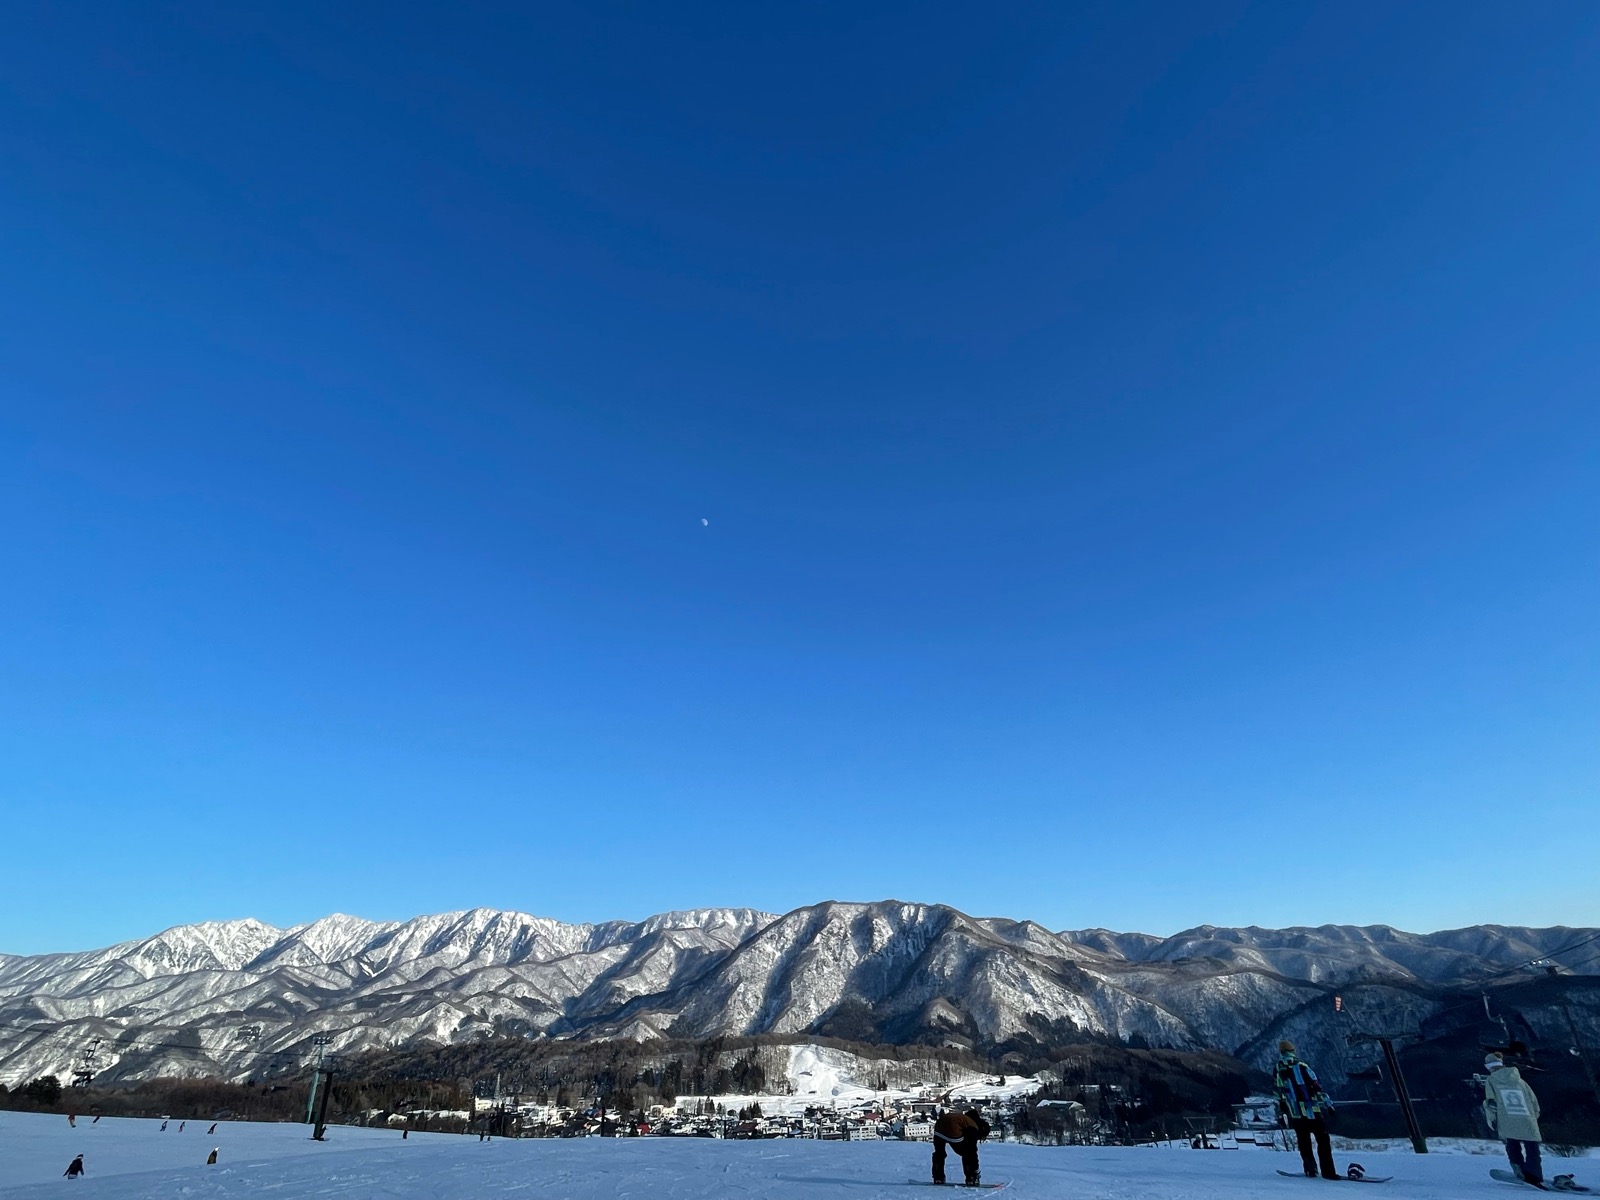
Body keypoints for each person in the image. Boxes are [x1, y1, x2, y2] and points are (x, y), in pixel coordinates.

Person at [1274, 1040, 1338, 1180]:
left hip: (1295, 1113)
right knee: (1323, 1140)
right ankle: (1328, 1171)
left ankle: (1310, 1169)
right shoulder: (1302, 1067)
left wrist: (1283, 1105)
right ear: (1293, 1050)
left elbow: (1279, 1091)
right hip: (1312, 1110)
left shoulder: (1279, 1070)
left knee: (1304, 1141)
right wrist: (1329, 1105)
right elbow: (1317, 1087)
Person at [1483, 1052, 1543, 1186]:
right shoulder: (1521, 1081)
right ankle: (1535, 1175)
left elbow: (1492, 1103)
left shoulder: (1491, 1081)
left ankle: (1519, 1171)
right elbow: (1534, 1101)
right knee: (1532, 1148)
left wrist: (1492, 1120)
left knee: (1512, 1145)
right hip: (1527, 1119)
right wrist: (1534, 1117)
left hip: (1507, 1120)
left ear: (1489, 1067)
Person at [931, 1108, 989, 1187]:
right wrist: (975, 1169)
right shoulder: (973, 1127)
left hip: (939, 1126)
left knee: (939, 1153)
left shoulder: (963, 1118)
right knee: (968, 1153)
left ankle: (938, 1177)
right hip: (953, 1128)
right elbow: (972, 1152)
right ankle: (971, 1178)